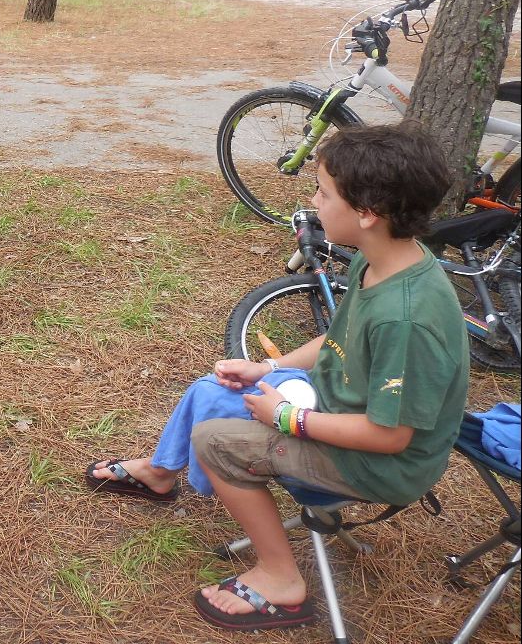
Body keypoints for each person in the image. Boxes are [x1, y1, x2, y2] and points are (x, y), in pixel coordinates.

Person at [86, 123, 468, 633]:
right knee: (212, 389)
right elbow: (339, 341)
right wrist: (268, 367)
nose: (313, 201)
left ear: (367, 214)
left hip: (382, 464)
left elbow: (392, 436)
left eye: (323, 192)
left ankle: (281, 581)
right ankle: (161, 474)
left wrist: (290, 418)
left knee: (217, 439)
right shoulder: (379, 263)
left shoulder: (407, 318)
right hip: (340, 410)